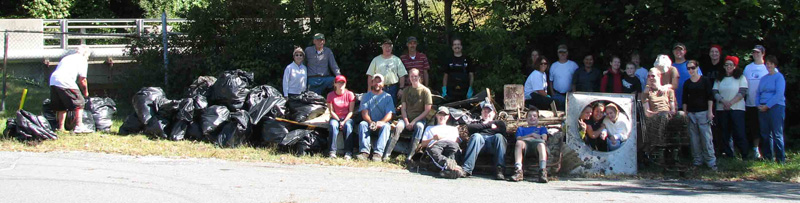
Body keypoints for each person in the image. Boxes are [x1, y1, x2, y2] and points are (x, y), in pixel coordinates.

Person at [390, 68, 432, 162]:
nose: (414, 78)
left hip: (419, 119)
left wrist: (413, 122)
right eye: (412, 76)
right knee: (398, 127)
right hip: (406, 118)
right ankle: (387, 154)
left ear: (420, 77)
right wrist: (406, 121)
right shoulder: (406, 90)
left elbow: (427, 110)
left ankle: (411, 155)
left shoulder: (425, 91)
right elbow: (403, 108)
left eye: (416, 76)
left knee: (420, 127)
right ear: (409, 78)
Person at [682, 60, 717, 170]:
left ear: (697, 68)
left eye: (692, 68)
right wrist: (685, 113)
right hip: (691, 113)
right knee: (694, 139)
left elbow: (710, 97)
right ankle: (697, 161)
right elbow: (684, 100)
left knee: (706, 138)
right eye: (688, 68)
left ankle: (711, 162)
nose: (691, 70)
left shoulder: (705, 80)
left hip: (703, 113)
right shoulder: (687, 83)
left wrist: (710, 112)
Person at [50, 45, 93, 133]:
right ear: (85, 54)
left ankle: (60, 128)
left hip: (53, 80)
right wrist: (86, 93)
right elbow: (82, 80)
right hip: (65, 80)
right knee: (80, 102)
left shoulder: (67, 58)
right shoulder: (82, 60)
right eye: (88, 55)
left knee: (61, 105)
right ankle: (79, 126)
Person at [713, 56, 749, 159]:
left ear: (735, 66)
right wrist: (723, 101)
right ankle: (729, 154)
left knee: (739, 132)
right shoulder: (720, 78)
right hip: (722, 109)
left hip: (737, 109)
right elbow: (715, 91)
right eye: (726, 64)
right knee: (724, 133)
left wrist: (731, 103)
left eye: (731, 65)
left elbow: (742, 92)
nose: (728, 66)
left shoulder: (741, 77)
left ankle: (744, 154)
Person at [462, 101, 508, 180]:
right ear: (481, 113)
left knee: (499, 136)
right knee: (476, 136)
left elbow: (502, 129)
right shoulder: (476, 122)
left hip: (493, 144)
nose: (486, 113)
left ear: (493, 113)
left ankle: (500, 170)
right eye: (484, 111)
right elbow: (470, 128)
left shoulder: (499, 122)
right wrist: (489, 124)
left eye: (489, 111)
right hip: (479, 144)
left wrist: (483, 126)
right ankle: (466, 169)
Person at [357, 74, 396, 162]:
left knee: (386, 126)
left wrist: (380, 122)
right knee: (362, 124)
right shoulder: (366, 96)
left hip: (382, 123)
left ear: (383, 84)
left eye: (379, 82)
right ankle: (364, 152)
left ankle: (378, 153)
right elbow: (364, 113)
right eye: (375, 81)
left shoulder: (387, 97)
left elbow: (389, 114)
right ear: (372, 82)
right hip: (370, 122)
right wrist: (371, 122)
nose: (377, 84)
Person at [421, 106, 465, 179]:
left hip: (451, 143)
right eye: (440, 114)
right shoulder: (429, 128)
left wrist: (459, 139)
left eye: (444, 115)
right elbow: (423, 144)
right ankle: (448, 166)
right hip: (436, 144)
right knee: (433, 150)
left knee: (455, 149)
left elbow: (458, 142)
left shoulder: (453, 129)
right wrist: (433, 138)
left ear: (448, 116)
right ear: (436, 115)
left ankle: (449, 169)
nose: (442, 117)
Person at [757, 55, 786, 163]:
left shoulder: (779, 77)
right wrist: (758, 104)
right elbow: (758, 93)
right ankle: (768, 157)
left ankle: (780, 159)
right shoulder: (764, 78)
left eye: (771, 64)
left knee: (777, 133)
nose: (769, 66)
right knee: (765, 133)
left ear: (775, 65)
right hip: (762, 107)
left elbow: (779, 94)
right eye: (767, 64)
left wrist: (767, 106)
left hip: (776, 107)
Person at [642, 68, 678, 152]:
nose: (650, 78)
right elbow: (647, 113)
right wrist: (659, 113)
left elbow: (673, 110)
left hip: (669, 116)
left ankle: (676, 152)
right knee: (662, 116)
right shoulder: (646, 93)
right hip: (655, 118)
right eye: (648, 76)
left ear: (659, 76)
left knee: (681, 115)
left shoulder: (669, 91)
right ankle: (659, 149)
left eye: (653, 76)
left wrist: (668, 113)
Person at [743, 45, 769, 159]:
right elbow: (743, 85)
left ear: (763, 54)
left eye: (758, 52)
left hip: (765, 104)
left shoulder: (767, 67)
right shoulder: (748, 68)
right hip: (751, 103)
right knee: (754, 128)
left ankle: (768, 151)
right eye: (754, 52)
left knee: (765, 128)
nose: (756, 54)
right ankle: (756, 150)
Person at [510, 108, 549, 183]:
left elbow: (544, 138)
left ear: (538, 118)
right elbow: (518, 138)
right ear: (526, 119)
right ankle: (518, 170)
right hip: (525, 145)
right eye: (530, 116)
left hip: (537, 145)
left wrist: (532, 137)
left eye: (534, 116)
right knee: (519, 143)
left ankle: (542, 171)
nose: (532, 118)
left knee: (541, 144)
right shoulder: (521, 129)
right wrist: (531, 135)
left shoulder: (542, 128)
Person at [327, 75, 356, 159]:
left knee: (348, 126)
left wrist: (343, 122)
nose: (341, 85)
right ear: (335, 84)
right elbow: (331, 111)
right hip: (335, 117)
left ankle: (348, 152)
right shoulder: (330, 95)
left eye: (342, 83)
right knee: (333, 125)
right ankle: (332, 151)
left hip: (347, 117)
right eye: (339, 83)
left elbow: (351, 111)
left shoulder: (350, 94)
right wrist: (339, 120)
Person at [442, 38, 475, 102]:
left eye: (458, 44)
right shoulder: (448, 59)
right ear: (452, 47)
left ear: (461, 46)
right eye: (455, 44)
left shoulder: (467, 59)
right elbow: (445, 75)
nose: (457, 46)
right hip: (451, 91)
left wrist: (470, 89)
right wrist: (444, 89)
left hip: (464, 91)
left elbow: (471, 75)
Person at [548, 44, 579, 110]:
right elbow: (550, 81)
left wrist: (574, 93)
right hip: (557, 95)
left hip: (570, 95)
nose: (562, 54)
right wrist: (553, 94)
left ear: (567, 53)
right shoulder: (553, 65)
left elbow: (577, 80)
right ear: (557, 53)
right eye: (560, 52)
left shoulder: (573, 65)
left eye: (564, 52)